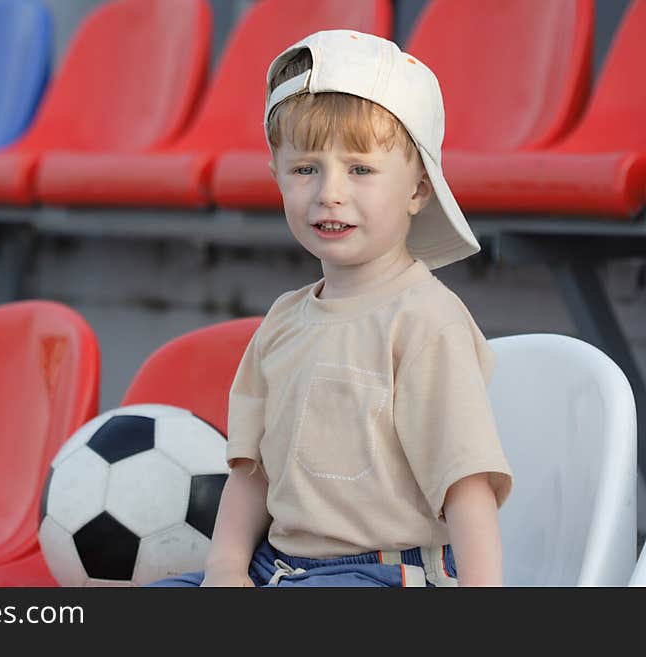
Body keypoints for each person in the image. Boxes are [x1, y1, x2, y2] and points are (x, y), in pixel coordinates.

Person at [148, 30, 512, 587]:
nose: (329, 193)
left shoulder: (425, 322)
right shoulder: (283, 322)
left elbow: (466, 483)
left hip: (387, 571)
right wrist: (225, 566)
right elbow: (253, 470)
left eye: (361, 170)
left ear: (418, 190)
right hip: (277, 565)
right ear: (278, 178)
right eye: (305, 169)